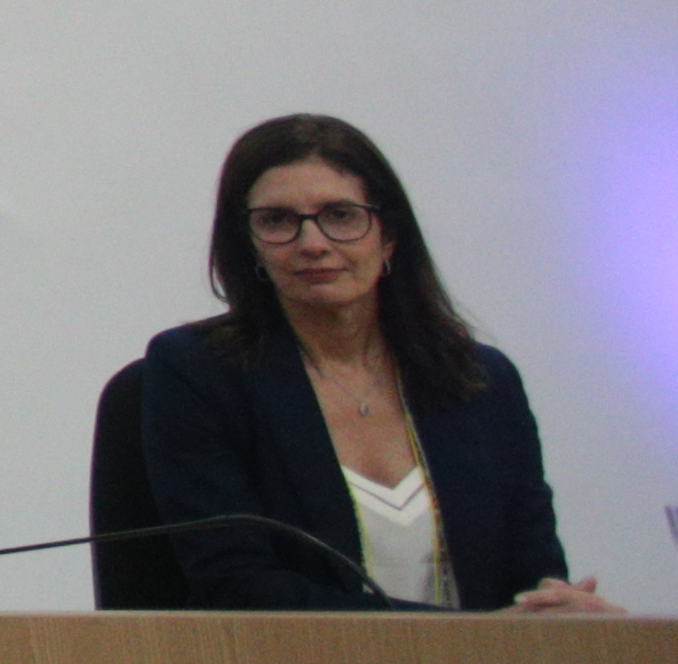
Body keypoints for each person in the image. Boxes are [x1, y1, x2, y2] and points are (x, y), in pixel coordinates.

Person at [137, 111, 612, 613]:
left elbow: (533, 570)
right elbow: (237, 585)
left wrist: (558, 612)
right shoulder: (199, 372)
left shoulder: (482, 380)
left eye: (341, 215)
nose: (313, 244)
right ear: (248, 244)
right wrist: (477, 635)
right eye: (277, 221)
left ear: (388, 235)